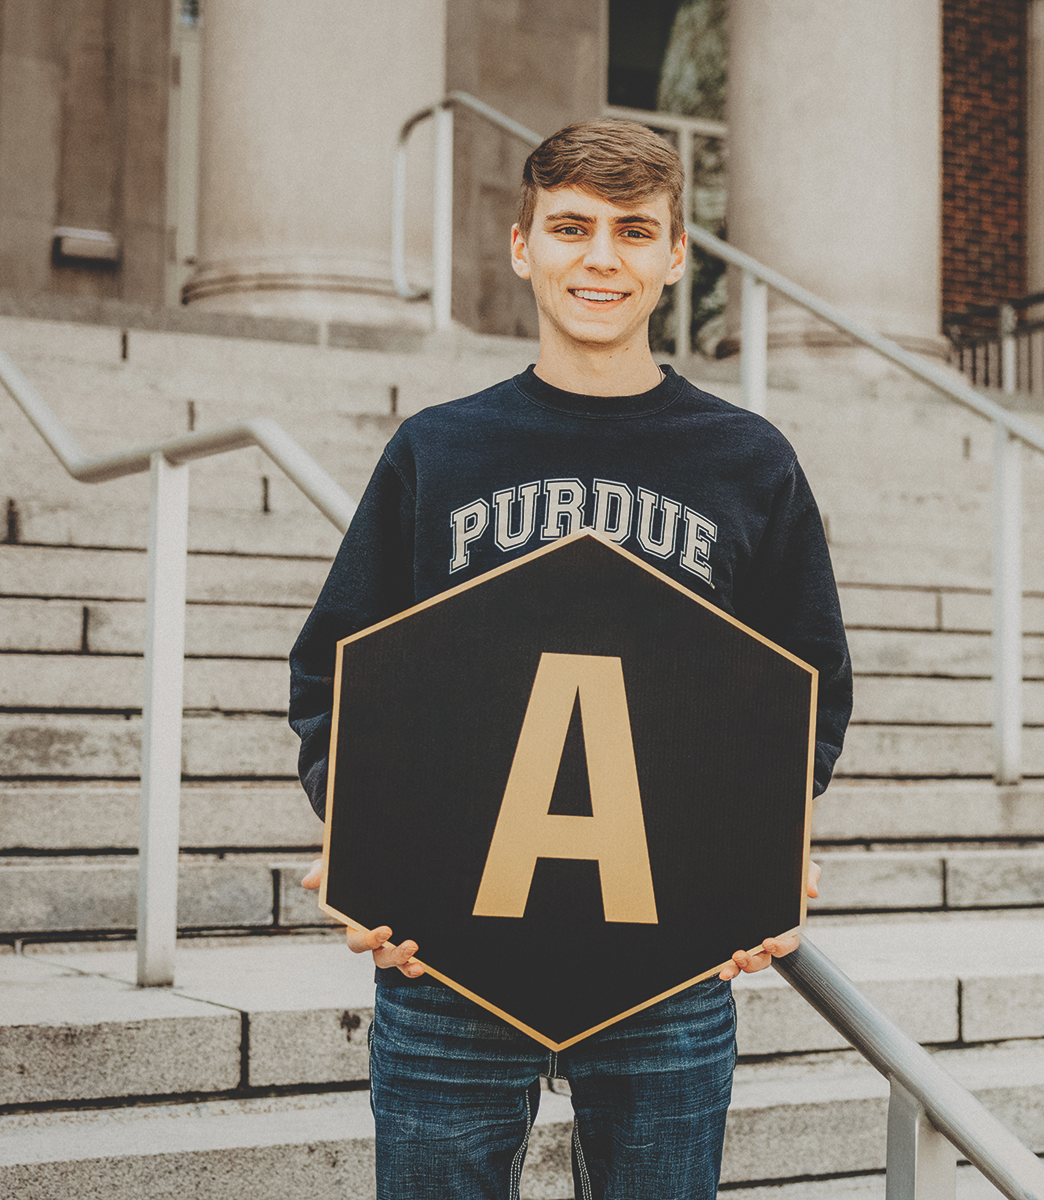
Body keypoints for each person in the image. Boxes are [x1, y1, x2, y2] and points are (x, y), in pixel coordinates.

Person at [290, 118, 852, 1200]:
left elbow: (806, 687)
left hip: (671, 952)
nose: (603, 257)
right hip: (447, 951)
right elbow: (337, 674)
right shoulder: (439, 450)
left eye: (636, 232)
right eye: (573, 227)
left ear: (677, 257)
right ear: (521, 245)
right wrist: (361, 847)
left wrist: (762, 849)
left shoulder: (749, 460)